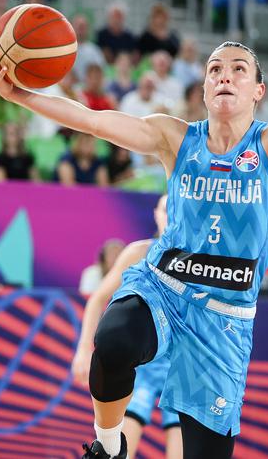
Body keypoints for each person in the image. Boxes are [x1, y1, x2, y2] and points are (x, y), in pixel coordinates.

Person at [0, 4, 268, 458]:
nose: (225, 76)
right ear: (203, 88)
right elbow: (92, 120)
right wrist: (21, 97)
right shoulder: (175, 137)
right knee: (114, 339)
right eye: (215, 69)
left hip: (224, 316)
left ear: (258, 90)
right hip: (165, 287)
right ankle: (108, 447)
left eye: (238, 69)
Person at [73, 195, 183, 459]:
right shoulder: (138, 252)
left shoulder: (199, 260)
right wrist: (84, 349)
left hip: (179, 366)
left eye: (176, 208)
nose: (170, 214)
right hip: (141, 364)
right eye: (165, 209)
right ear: (155, 213)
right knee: (116, 447)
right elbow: (98, 299)